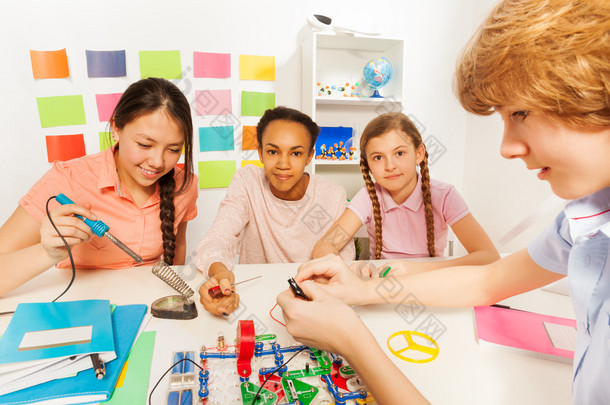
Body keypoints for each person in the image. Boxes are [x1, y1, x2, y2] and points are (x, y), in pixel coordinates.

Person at [278, 0, 610, 403]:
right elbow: (489, 280)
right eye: (377, 158)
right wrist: (357, 289)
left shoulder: (444, 195)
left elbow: (485, 263)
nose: (505, 147)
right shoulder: (582, 219)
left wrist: (353, 335)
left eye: (520, 112)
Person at [0, 77, 198, 296]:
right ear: (115, 128)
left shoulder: (184, 184)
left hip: (148, 308)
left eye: (172, 149)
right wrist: (48, 253)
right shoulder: (68, 180)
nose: (158, 162)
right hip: (80, 309)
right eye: (145, 144)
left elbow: (177, 249)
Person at [195, 106, 354, 316]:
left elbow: (343, 264)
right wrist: (220, 272)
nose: (283, 164)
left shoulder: (332, 195)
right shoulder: (247, 182)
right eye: (273, 151)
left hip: (313, 305)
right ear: (260, 152)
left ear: (309, 157)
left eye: (296, 153)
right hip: (257, 302)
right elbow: (219, 237)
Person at [312, 112, 499, 274]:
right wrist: (350, 269)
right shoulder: (369, 197)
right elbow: (324, 246)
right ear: (368, 164)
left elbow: (489, 257)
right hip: (384, 283)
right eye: (378, 157)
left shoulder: (445, 195)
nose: (390, 166)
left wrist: (415, 269)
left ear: (418, 154)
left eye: (399, 153)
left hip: (434, 282)